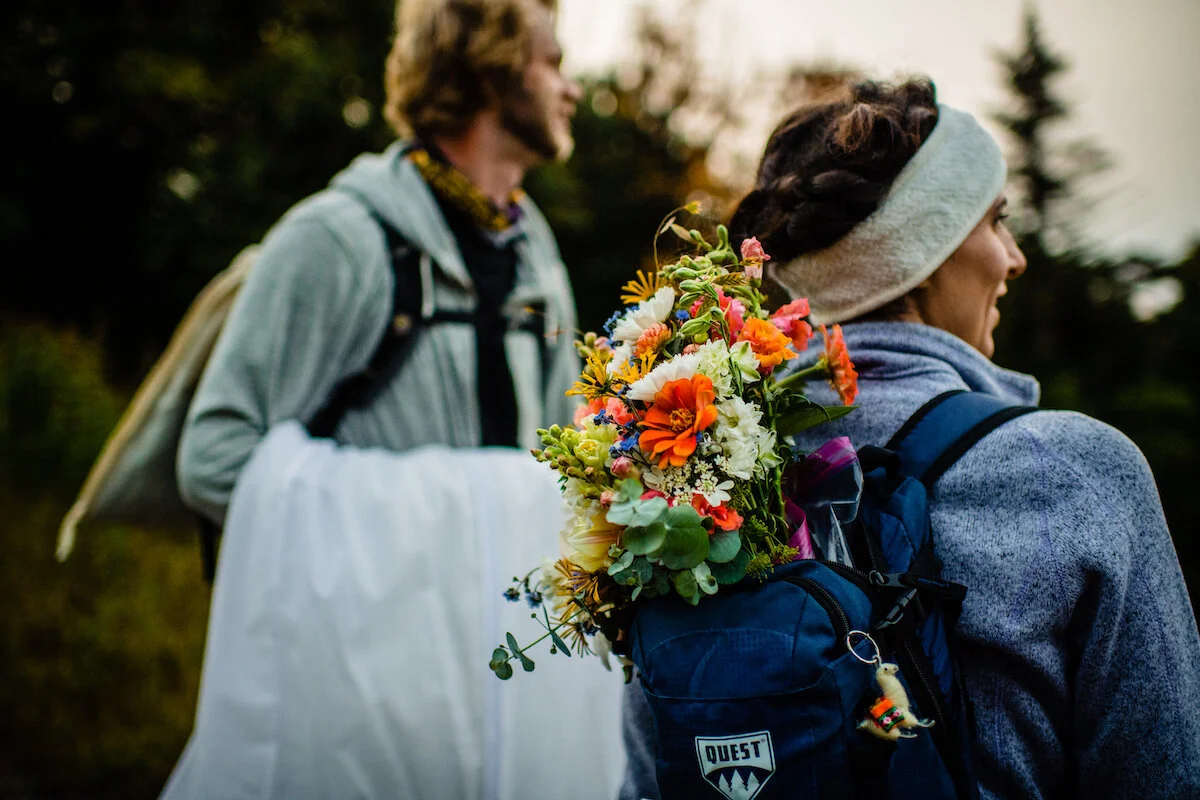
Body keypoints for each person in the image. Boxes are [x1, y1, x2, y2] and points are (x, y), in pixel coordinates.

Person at [620, 78, 1200, 799]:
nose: (1013, 258)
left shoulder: (690, 490)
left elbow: (650, 780)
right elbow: (1165, 776)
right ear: (926, 251)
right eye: (996, 222)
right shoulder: (1075, 473)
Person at [161, 1, 625, 797]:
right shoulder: (335, 238)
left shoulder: (538, 257)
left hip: (502, 689)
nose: (571, 87)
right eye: (552, 61)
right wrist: (414, 543)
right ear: (490, 64)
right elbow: (213, 458)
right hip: (355, 690)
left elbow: (550, 469)